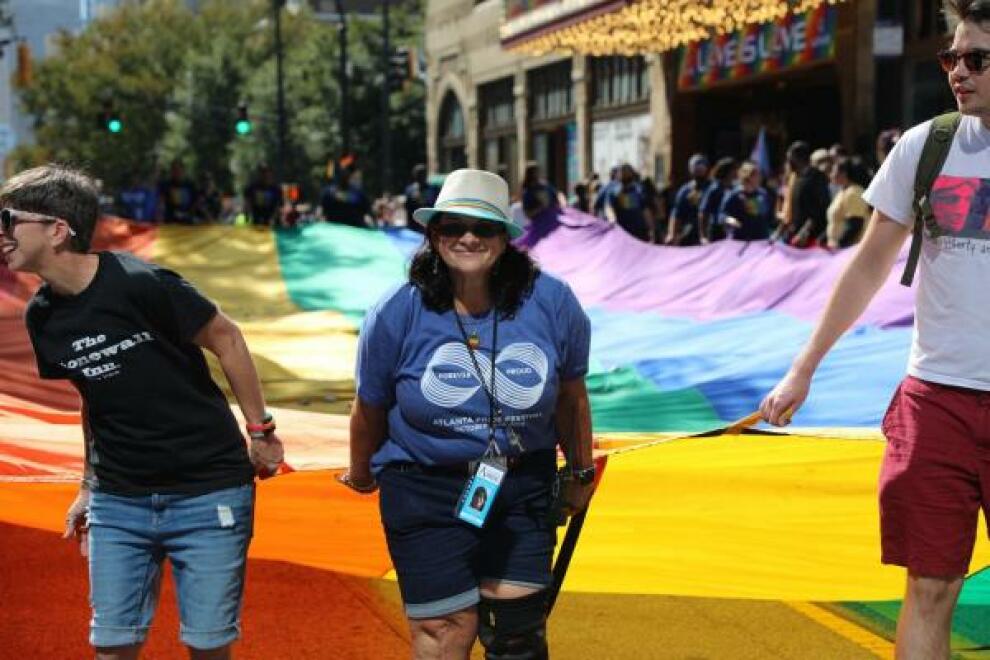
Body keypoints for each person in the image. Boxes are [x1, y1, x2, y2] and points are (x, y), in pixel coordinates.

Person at [761, 2, 990, 656]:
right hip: (935, 401)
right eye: (951, 56)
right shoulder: (926, 148)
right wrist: (802, 369)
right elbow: (865, 268)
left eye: (977, 58)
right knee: (929, 587)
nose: (957, 71)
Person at [0, 164, 284, 660]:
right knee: (111, 644)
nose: (0, 234)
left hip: (208, 490)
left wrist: (260, 431)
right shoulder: (41, 315)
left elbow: (227, 337)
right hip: (119, 502)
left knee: (208, 646)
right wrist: (88, 485)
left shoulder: (141, 282)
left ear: (58, 229)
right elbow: (94, 395)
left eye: (7, 219)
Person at [339, 168, 596, 660]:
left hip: (523, 485)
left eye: (484, 228)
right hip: (423, 488)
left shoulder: (553, 301)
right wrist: (361, 472)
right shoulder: (396, 310)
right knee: (444, 630)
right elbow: (369, 405)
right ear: (433, 234)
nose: (468, 238)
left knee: (516, 635)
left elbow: (571, 396)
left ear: (506, 237)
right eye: (452, 226)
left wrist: (580, 470)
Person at [785, 141, 832, 247]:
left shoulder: (817, 178)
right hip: (796, 236)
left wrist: (803, 232)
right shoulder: (797, 178)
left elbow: (819, 209)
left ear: (798, 159)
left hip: (812, 238)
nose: (788, 162)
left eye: (790, 159)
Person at [718, 161, 774, 241]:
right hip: (740, 239)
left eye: (759, 175)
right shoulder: (734, 195)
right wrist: (730, 220)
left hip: (760, 238)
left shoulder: (763, 194)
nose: (759, 178)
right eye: (755, 175)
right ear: (747, 176)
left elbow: (767, 215)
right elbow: (722, 215)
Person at [826, 157, 872, 248]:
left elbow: (855, 224)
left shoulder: (854, 192)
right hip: (839, 248)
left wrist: (839, 244)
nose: (831, 174)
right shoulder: (843, 191)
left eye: (833, 171)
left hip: (850, 249)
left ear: (844, 174)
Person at [667, 153, 710, 245]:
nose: (699, 170)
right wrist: (672, 234)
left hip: (708, 233)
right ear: (691, 169)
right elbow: (676, 213)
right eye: (696, 167)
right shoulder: (685, 190)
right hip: (689, 232)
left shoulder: (712, 187)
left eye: (701, 167)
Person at [604, 163, 654, 242]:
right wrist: (613, 221)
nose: (624, 173)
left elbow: (645, 210)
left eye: (626, 171)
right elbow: (609, 208)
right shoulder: (613, 191)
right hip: (622, 233)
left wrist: (651, 229)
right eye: (622, 171)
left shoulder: (638, 191)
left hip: (639, 233)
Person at [320, 162, 372, 228]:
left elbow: (366, 211)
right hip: (334, 228)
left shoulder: (358, 193)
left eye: (346, 172)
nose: (344, 174)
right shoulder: (329, 192)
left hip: (355, 228)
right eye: (342, 172)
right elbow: (324, 211)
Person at [698, 157, 737, 243]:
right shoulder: (714, 189)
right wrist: (703, 236)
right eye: (734, 170)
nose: (736, 173)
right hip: (717, 229)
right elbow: (703, 213)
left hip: (731, 228)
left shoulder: (735, 188)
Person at [157, 159, 198, 224]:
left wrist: (189, 214)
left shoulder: (190, 185)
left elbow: (195, 202)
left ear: (183, 170)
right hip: (170, 221)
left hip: (187, 222)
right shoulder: (165, 184)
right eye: (173, 169)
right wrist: (160, 217)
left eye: (178, 169)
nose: (176, 172)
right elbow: (161, 202)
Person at [404, 164, 440, 234]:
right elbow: (407, 207)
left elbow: (436, 206)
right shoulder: (410, 190)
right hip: (414, 226)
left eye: (423, 173)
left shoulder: (433, 189)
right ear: (414, 175)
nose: (421, 176)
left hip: (429, 224)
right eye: (419, 174)